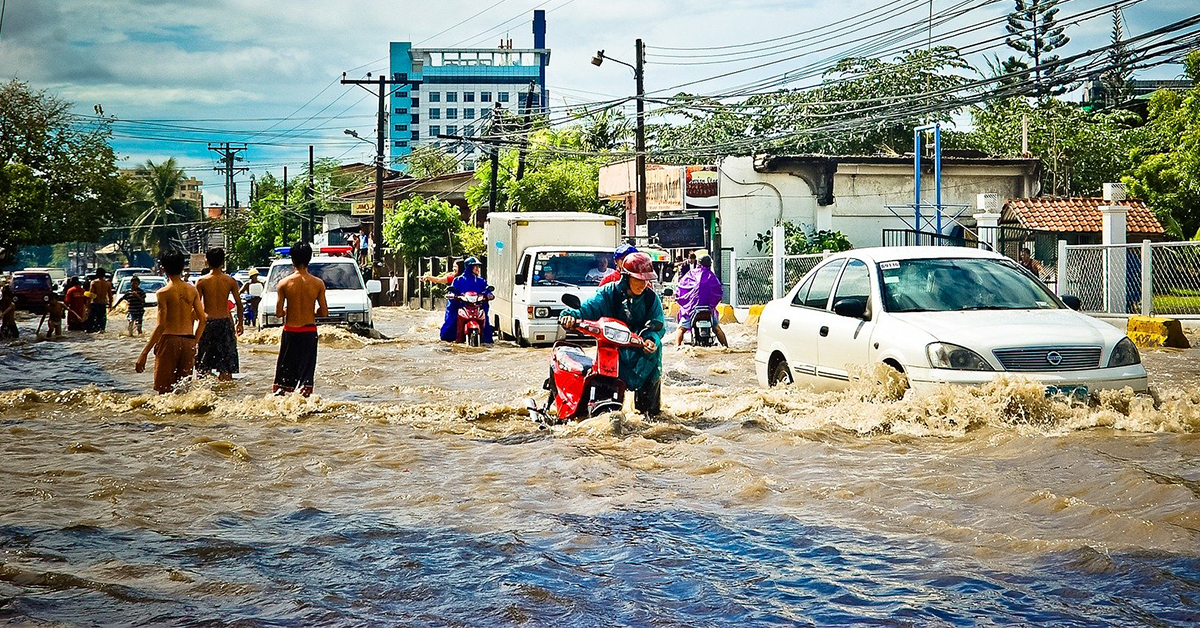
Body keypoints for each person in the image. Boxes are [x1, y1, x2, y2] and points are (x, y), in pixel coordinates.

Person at [559, 252, 665, 416]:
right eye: (638, 279)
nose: (643, 284)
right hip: (614, 350)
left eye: (646, 280)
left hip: (644, 353)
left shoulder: (651, 299)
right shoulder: (608, 293)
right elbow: (588, 308)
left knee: (651, 416)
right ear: (626, 277)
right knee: (605, 397)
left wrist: (652, 340)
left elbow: (658, 324)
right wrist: (571, 316)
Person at [136, 251, 207, 394]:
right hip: (188, 342)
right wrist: (195, 341)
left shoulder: (163, 292)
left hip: (169, 341)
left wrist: (144, 353)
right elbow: (203, 319)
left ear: (163, 268)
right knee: (183, 392)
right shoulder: (192, 290)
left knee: (164, 392)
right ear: (182, 268)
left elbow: (161, 326)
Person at [273, 242, 328, 397]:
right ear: (309, 259)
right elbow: (324, 312)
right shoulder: (318, 283)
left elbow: (278, 313)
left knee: (284, 377)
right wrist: (311, 311)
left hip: (290, 331)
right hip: (309, 332)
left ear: (292, 260)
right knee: (306, 377)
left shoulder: (284, 283)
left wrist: (289, 310)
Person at [195, 248, 244, 381]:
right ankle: (226, 396)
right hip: (225, 323)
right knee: (226, 367)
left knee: (203, 366)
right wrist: (240, 323)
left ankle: (203, 396)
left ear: (207, 261)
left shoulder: (201, 281)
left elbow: (195, 307)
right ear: (223, 261)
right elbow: (239, 304)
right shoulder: (230, 281)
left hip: (207, 323)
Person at [673, 255, 729, 347]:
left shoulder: (691, 274)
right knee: (717, 329)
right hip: (708, 310)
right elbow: (719, 293)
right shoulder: (712, 277)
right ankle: (726, 347)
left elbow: (681, 289)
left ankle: (677, 347)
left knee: (681, 329)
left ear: (698, 263)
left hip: (691, 309)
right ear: (709, 264)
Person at [440, 257, 493, 344]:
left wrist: (488, 295)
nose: (477, 268)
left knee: (486, 320)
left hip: (477, 306)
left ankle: (486, 339)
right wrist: (453, 295)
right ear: (468, 267)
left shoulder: (481, 280)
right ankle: (449, 337)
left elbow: (486, 289)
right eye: (474, 266)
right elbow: (452, 290)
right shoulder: (458, 280)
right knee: (451, 320)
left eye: (478, 266)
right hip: (462, 306)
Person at [86, 268, 113, 333]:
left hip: (95, 304)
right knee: (102, 322)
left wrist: (87, 306)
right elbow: (110, 296)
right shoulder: (108, 284)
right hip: (103, 304)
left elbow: (91, 295)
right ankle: (101, 330)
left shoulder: (94, 283)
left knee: (92, 322)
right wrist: (110, 305)